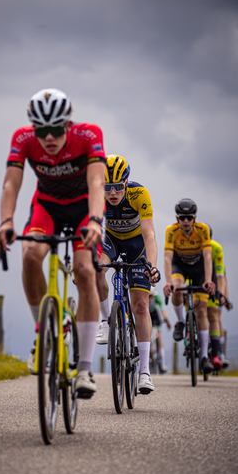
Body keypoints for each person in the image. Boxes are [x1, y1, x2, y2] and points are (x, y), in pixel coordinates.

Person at [0, 88, 106, 399]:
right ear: (33, 128)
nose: (49, 137)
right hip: (48, 207)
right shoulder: (23, 140)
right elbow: (10, 183)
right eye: (42, 131)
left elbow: (97, 181)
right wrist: (6, 222)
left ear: (68, 125)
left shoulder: (89, 134)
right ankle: (43, 333)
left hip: (85, 208)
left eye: (56, 129)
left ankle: (84, 368)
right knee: (30, 255)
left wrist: (96, 220)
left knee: (84, 270)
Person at [94, 154, 160, 395]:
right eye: (107, 187)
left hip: (136, 245)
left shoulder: (138, 194)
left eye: (118, 187)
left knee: (141, 305)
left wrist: (151, 265)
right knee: (97, 269)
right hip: (110, 240)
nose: (112, 193)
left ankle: (144, 370)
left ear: (126, 183)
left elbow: (149, 235)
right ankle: (106, 321)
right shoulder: (96, 195)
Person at [163, 198, 216, 375]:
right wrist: (168, 281)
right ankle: (180, 322)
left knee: (201, 311)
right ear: (177, 218)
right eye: (182, 218)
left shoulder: (203, 230)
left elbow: (208, 257)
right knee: (177, 288)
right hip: (180, 266)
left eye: (189, 218)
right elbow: (168, 258)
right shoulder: (171, 231)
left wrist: (208, 280)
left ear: (194, 218)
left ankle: (204, 358)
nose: (185, 221)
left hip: (199, 269)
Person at [206, 225, 227, 369]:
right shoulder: (192, 245)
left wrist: (222, 294)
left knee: (215, 315)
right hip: (197, 278)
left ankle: (219, 353)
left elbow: (221, 276)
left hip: (214, 280)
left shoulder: (216, 248)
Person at [149, 286, 172, 373]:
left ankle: (162, 363)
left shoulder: (157, 298)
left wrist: (167, 321)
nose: (150, 298)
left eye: (152, 296)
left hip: (155, 315)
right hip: (146, 314)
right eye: (149, 296)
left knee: (159, 336)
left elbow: (163, 311)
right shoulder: (144, 296)